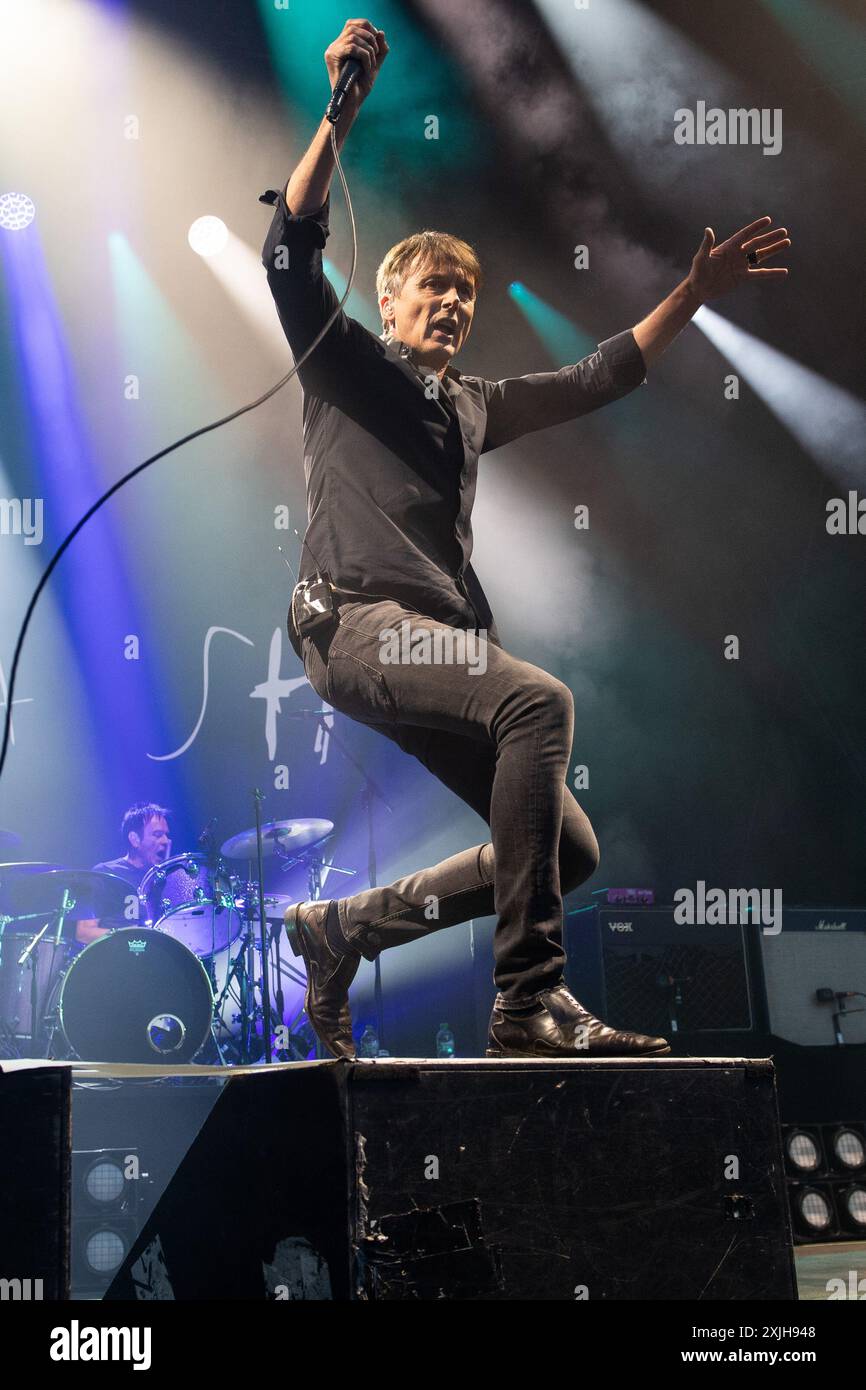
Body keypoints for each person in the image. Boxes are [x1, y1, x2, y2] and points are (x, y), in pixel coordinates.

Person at [260, 19, 790, 1060]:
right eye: (433, 289)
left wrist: (691, 294)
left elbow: (594, 376)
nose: (452, 304)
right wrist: (340, 112)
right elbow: (288, 246)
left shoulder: (469, 404)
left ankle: (341, 927)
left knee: (565, 845)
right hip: (353, 623)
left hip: (430, 636)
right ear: (390, 300)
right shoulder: (344, 361)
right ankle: (527, 1001)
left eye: (464, 292)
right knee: (536, 699)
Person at [75, 802, 171, 945]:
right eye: (157, 835)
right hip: (117, 959)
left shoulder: (168, 879)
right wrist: (133, 935)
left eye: (166, 835)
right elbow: (84, 933)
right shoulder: (106, 873)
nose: (165, 841)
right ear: (135, 839)